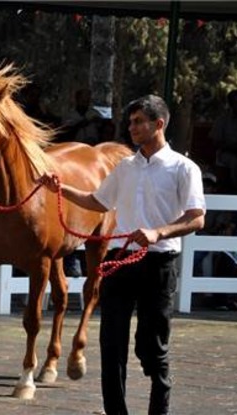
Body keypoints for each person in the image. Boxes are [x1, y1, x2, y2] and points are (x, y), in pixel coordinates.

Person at [41, 94, 206, 415]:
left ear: (159, 124)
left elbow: (197, 217)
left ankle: (159, 408)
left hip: (159, 263)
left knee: (151, 349)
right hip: (120, 260)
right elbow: (98, 201)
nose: (131, 128)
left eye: (138, 122)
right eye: (130, 122)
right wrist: (60, 189)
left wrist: (159, 232)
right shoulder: (125, 168)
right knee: (110, 344)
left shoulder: (183, 168)